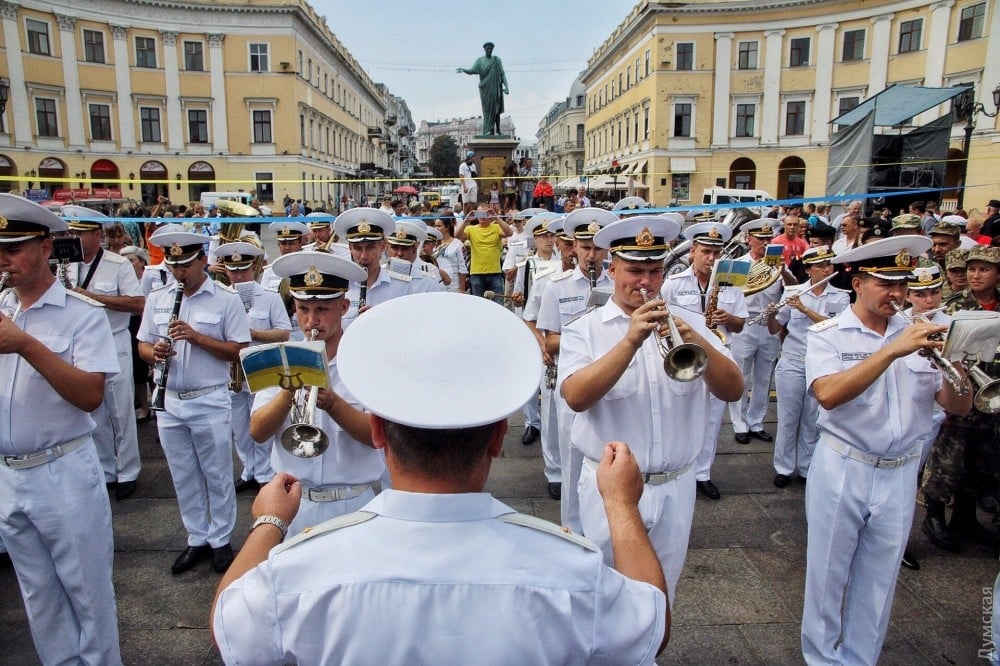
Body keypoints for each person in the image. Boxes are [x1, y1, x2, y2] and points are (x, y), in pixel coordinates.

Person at [212, 292, 669, 663]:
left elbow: (227, 625)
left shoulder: (297, 570)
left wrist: (268, 524)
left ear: (378, 433)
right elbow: (651, 625)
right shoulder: (571, 568)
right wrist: (621, 506)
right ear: (498, 439)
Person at [800, 235, 971, 664]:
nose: (897, 294)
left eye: (902, 284)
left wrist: (957, 363)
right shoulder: (828, 334)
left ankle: (861, 658)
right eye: (885, 284)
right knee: (827, 575)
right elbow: (828, 395)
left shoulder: (919, 334)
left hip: (900, 469)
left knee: (880, 579)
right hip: (844, 465)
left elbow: (958, 407)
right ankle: (821, 659)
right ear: (858, 283)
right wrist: (891, 351)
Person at [560, 215, 743, 605]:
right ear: (612, 270)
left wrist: (700, 343)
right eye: (634, 271)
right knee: (605, 596)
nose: (645, 281)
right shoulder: (585, 329)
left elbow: (733, 390)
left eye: (655, 271)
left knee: (662, 597)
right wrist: (630, 341)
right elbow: (575, 396)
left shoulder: (692, 324)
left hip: (676, 486)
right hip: (609, 489)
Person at [0, 195, 123, 665]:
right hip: (10, 473)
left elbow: (90, 395)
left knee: (87, 596)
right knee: (39, 598)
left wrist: (26, 345)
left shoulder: (81, 313)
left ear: (46, 247)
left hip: (62, 469)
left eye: (13, 249)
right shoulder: (4, 307)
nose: (3, 260)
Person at [137, 228, 251, 575]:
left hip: (209, 398)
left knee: (217, 473)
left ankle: (221, 539)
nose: (179, 272)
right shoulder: (158, 297)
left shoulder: (226, 299)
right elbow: (142, 345)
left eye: (185, 264)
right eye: (173, 266)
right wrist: (154, 353)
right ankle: (197, 537)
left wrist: (196, 337)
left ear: (203, 259)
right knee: (183, 474)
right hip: (169, 400)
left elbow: (239, 350)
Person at [249, 251, 384, 537]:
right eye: (303, 309)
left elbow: (378, 437)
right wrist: (287, 393)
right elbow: (257, 431)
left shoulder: (367, 361)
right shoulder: (281, 359)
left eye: (322, 309)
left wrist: (333, 404)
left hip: (353, 502)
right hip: (295, 502)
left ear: (343, 306)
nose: (311, 321)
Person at [537, 207, 618, 530]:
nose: (591, 255)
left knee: (609, 454)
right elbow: (550, 342)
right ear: (574, 247)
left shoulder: (618, 283)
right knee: (572, 460)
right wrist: (584, 333)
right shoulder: (556, 286)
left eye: (597, 248)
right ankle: (572, 527)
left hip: (610, 380)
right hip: (573, 380)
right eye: (585, 247)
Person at [60, 206, 146, 500]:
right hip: (82, 342)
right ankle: (106, 469)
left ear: (97, 234)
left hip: (113, 337)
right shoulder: (65, 265)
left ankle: (128, 470)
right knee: (93, 409)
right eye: (71, 232)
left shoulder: (118, 264)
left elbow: (137, 303)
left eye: (80, 233)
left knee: (120, 408)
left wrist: (93, 297)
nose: (74, 238)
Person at [920, 244, 1000, 554]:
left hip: (992, 398)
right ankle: (934, 517)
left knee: (981, 460)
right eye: (972, 269)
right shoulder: (954, 306)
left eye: (984, 270)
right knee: (946, 459)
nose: (975, 275)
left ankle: (966, 518)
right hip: (961, 392)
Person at [662, 221, 748, 500]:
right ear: (693, 252)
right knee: (679, 414)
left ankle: (703, 473)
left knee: (712, 421)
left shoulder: (730, 283)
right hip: (684, 357)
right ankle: (679, 465)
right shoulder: (673, 283)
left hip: (717, 356)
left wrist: (728, 318)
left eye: (716, 253)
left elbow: (740, 325)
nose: (711, 258)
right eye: (706, 252)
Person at [767, 246, 850, 486]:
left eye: (828, 264)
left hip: (821, 364)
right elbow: (775, 329)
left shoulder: (841, 296)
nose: (826, 269)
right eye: (820, 266)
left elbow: (834, 327)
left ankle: (806, 467)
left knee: (812, 419)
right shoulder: (792, 292)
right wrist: (771, 314)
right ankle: (783, 468)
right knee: (788, 418)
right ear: (809, 270)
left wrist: (804, 309)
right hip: (793, 360)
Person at [217, 241, 291, 494]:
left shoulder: (269, 297)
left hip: (262, 368)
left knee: (261, 422)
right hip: (232, 371)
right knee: (239, 428)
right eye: (233, 270)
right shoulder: (220, 297)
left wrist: (254, 333)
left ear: (254, 269)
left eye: (243, 270)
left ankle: (264, 472)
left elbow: (284, 332)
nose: (238, 276)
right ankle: (249, 470)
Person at [729, 218, 796, 445]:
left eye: (768, 238)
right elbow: (728, 295)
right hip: (746, 325)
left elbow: (793, 287)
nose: (765, 243)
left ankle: (756, 422)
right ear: (749, 240)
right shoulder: (739, 264)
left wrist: (782, 270)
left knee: (764, 377)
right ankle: (739, 424)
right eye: (761, 239)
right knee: (742, 376)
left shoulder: (776, 265)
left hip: (769, 325)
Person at [456, 208, 512, 302]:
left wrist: (496, 218)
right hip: (476, 273)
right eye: (479, 214)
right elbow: (457, 236)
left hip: (495, 272)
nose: (482, 217)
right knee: (478, 304)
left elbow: (509, 233)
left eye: (485, 214)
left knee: (498, 304)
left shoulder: (496, 227)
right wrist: (466, 220)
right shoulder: (471, 229)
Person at [456, 41, 510, 136]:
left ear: (492, 49)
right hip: (485, 89)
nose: (489, 50)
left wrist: (507, 87)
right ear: (484, 49)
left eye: (491, 48)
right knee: (487, 110)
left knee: (496, 110)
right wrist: (464, 70)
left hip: (495, 88)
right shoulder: (480, 61)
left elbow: (503, 74)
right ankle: (489, 130)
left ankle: (497, 130)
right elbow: (472, 70)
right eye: (487, 48)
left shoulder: (496, 60)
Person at [432, 213, 468, 293]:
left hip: (454, 286)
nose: (436, 228)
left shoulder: (458, 244)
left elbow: (463, 268)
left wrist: (462, 289)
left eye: (439, 226)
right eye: (435, 226)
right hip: (437, 285)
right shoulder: (433, 244)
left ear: (447, 227)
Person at [459, 151, 478, 215]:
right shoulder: (462, 166)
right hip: (466, 186)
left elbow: (474, 176)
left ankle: (471, 215)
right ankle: (465, 216)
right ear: (470, 157)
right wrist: (464, 187)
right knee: (465, 202)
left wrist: (477, 185)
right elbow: (461, 176)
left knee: (473, 202)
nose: (474, 158)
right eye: (473, 156)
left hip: (473, 185)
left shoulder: (473, 165)